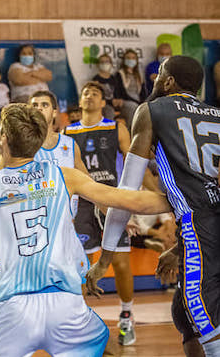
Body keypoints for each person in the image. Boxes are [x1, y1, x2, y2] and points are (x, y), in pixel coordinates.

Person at [0, 103, 176, 356]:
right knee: (107, 348)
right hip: (65, 305)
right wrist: (185, 199)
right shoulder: (65, 176)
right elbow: (133, 201)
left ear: (2, 139)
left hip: (10, 308)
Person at [87, 55, 220, 357]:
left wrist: (105, 259)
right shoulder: (216, 113)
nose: (155, 79)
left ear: (169, 81)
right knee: (184, 313)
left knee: (202, 317)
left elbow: (125, 195)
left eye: (160, 73)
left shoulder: (151, 111)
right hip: (207, 221)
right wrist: (179, 247)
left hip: (199, 223)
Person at [65, 81, 136, 346]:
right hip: (82, 202)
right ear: (80, 101)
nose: (89, 96)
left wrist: (135, 199)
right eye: (85, 93)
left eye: (95, 93)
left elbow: (132, 160)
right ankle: (79, 323)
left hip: (110, 197)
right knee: (79, 265)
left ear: (103, 101)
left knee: (119, 262)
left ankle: (127, 317)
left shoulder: (116, 127)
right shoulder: (66, 133)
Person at [113, 49, 147, 125]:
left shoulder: (139, 74)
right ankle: (131, 132)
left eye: (133, 58)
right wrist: (137, 102)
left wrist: (143, 102)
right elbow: (121, 92)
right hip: (125, 101)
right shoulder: (120, 74)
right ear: (124, 60)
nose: (131, 60)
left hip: (137, 101)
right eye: (128, 58)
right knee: (133, 107)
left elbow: (143, 92)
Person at [92, 53, 121, 120]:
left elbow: (117, 92)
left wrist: (118, 100)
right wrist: (111, 101)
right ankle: (109, 129)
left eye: (107, 62)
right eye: (102, 62)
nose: (104, 64)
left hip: (115, 104)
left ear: (111, 64)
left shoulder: (113, 78)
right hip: (104, 104)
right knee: (109, 111)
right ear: (98, 65)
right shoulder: (96, 79)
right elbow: (97, 97)